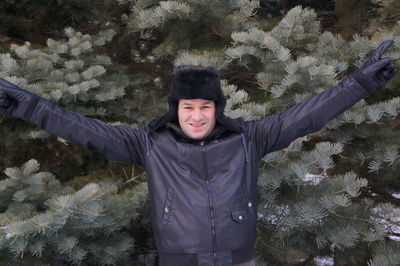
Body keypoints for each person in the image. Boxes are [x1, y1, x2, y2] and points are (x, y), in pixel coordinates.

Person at [0, 40, 398, 266]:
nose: (196, 116)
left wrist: (360, 83)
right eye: (188, 107)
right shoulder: (150, 145)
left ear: (216, 108)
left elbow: (307, 115)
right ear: (176, 108)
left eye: (205, 107)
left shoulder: (250, 139)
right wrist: (27, 105)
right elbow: (86, 130)